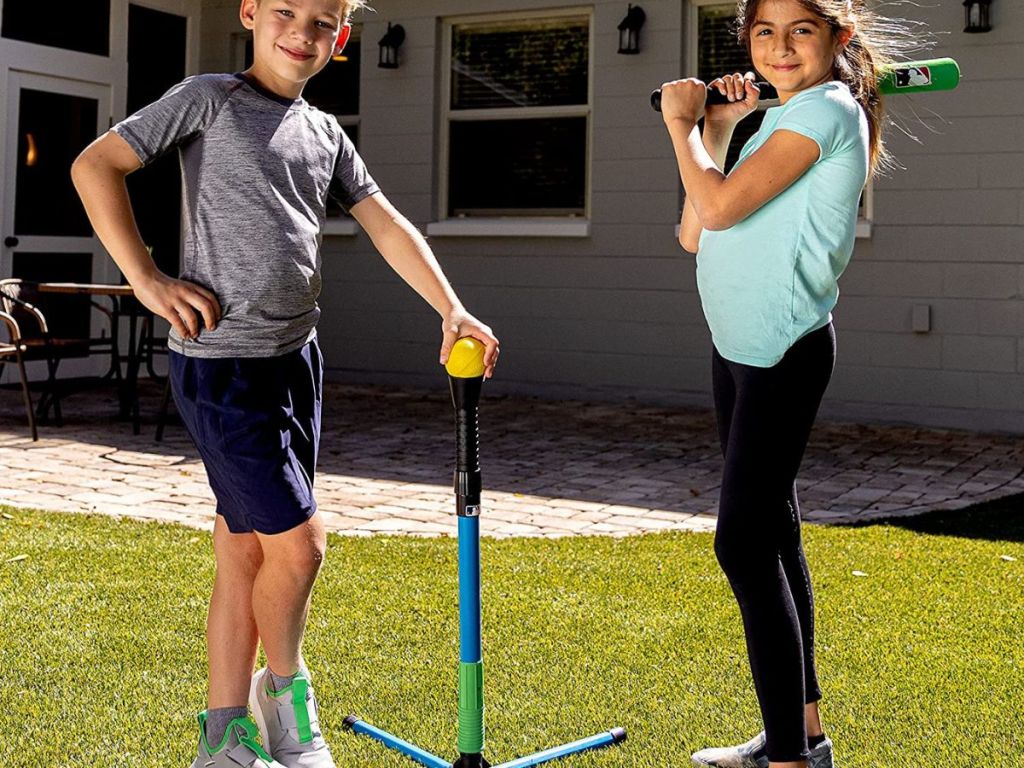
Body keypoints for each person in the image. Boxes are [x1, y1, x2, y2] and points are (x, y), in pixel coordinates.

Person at [71, 1, 499, 767]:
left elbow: (386, 223)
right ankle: (286, 691)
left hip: (295, 361)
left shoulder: (325, 133)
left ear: (342, 37)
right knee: (300, 547)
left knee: (245, 550)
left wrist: (453, 308)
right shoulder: (209, 98)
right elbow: (94, 164)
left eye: (324, 19)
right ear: (249, 13)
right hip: (223, 366)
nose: (302, 31)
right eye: (286, 11)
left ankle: (225, 737)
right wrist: (145, 278)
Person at [659, 1, 897, 766]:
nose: (780, 47)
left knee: (743, 543)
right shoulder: (782, 118)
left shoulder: (826, 111)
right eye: (765, 32)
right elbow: (695, 229)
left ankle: (790, 762)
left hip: (782, 354)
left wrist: (678, 123)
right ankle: (804, 734)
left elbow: (721, 204)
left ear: (840, 36)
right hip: (739, 348)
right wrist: (716, 128)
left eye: (801, 30)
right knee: (776, 529)